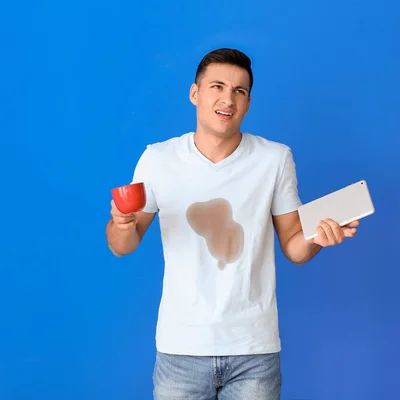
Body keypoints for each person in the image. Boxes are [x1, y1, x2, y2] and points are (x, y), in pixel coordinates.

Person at [106, 48, 360, 400]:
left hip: (253, 349)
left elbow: (294, 246)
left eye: (239, 91)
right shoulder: (158, 159)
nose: (228, 99)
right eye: (217, 86)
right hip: (181, 347)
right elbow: (124, 244)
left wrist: (319, 236)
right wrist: (120, 223)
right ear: (195, 93)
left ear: (248, 102)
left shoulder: (274, 159)